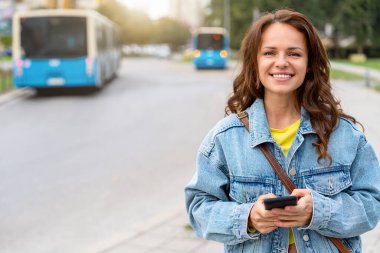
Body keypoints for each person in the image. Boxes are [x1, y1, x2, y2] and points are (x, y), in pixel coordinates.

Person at [185, 8, 380, 253]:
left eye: (294, 53)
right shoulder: (225, 139)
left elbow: (372, 205)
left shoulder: (345, 135)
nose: (281, 62)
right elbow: (198, 207)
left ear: (309, 64)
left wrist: (318, 212)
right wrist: (248, 217)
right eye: (269, 52)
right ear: (255, 62)